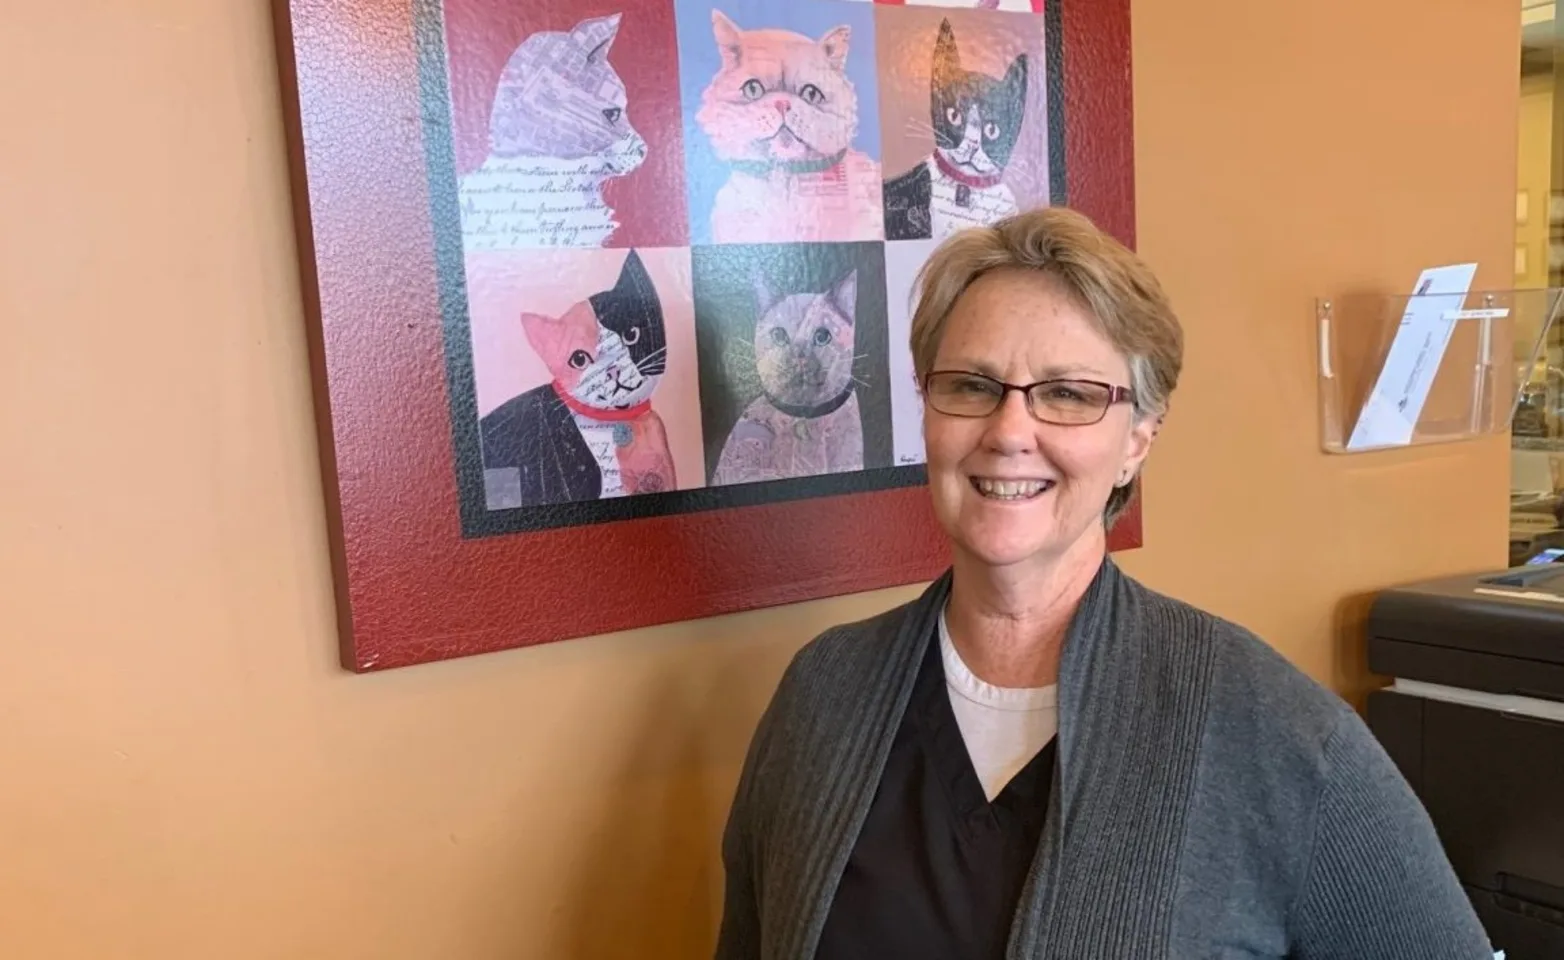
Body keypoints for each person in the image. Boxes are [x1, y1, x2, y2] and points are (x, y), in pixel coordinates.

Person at [712, 207, 1496, 959]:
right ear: (928, 412)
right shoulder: (823, 697)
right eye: (971, 386)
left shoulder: (1274, 733)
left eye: (1070, 394)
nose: (1010, 430)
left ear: (1137, 443)